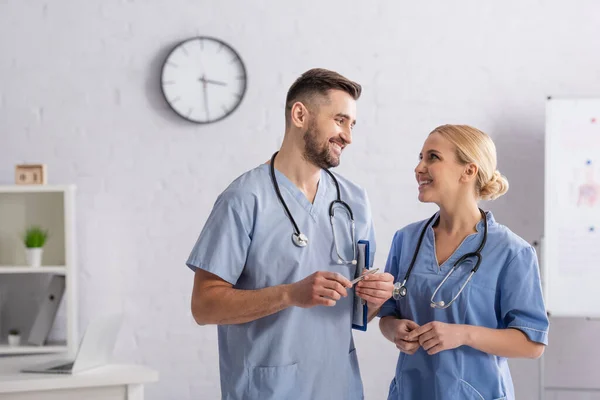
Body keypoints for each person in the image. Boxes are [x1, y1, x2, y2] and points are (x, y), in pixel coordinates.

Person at [187, 68, 394, 400]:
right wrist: (289, 295)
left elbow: (357, 312)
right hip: (268, 390)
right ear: (300, 115)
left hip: (338, 387)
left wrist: (375, 299)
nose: (348, 136)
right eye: (340, 120)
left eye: (352, 125)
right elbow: (204, 306)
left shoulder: (354, 201)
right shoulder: (244, 199)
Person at [378, 124, 549, 400]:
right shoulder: (406, 240)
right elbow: (388, 312)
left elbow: (531, 343)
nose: (419, 167)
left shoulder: (511, 251)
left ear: (468, 171)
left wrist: (463, 335)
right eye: (420, 157)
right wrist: (394, 329)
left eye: (432, 157)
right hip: (411, 391)